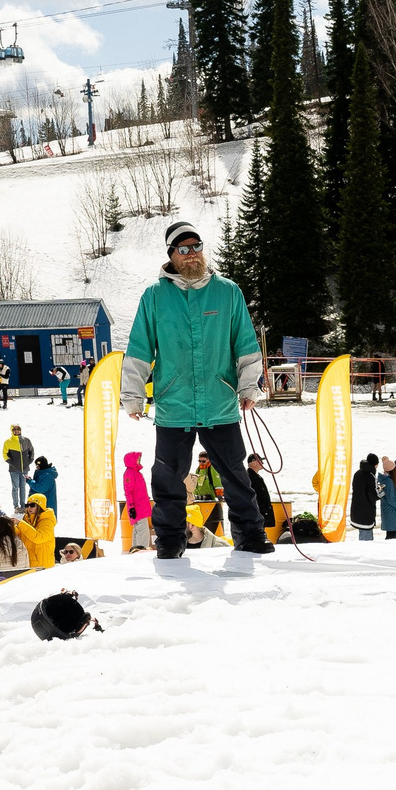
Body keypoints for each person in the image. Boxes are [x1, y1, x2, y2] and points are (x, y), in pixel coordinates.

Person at [122, 218, 270, 556]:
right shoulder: (155, 296)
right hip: (174, 405)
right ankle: (170, 541)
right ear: (171, 255)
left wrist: (248, 387)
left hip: (220, 402)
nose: (192, 253)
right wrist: (132, 395)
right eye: (184, 248)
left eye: (197, 246)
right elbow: (139, 349)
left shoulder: (227, 291)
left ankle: (250, 535)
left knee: (235, 475)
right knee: (168, 479)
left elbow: (246, 344)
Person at [14, 496, 57, 568]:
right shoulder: (26, 519)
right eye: (27, 505)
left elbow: (39, 538)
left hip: (43, 566)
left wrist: (20, 524)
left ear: (40, 506)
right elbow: (19, 535)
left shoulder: (47, 521)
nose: (29, 508)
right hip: (28, 563)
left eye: (32, 505)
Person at [121, 451, 152, 551]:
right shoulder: (130, 473)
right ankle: (141, 549)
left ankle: (136, 549)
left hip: (140, 506)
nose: (139, 461)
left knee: (138, 528)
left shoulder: (136, 473)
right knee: (142, 529)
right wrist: (131, 507)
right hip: (137, 507)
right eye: (137, 459)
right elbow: (128, 492)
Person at [350, 454, 379, 539]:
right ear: (375, 465)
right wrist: (381, 493)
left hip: (356, 509)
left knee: (363, 534)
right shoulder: (370, 476)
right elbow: (372, 496)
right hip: (366, 512)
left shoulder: (357, 473)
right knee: (366, 540)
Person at [3, 424, 34, 506]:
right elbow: (5, 455)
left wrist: (29, 461)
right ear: (12, 431)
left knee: (23, 487)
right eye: (14, 429)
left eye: (18, 429)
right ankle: (16, 506)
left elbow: (31, 451)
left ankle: (23, 505)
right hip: (14, 470)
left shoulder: (26, 440)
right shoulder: (8, 442)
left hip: (25, 469)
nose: (16, 431)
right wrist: (12, 463)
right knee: (15, 488)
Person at [377, 456, 396, 538]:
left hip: (386, 512)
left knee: (390, 535)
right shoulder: (389, 482)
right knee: (395, 536)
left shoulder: (381, 480)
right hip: (392, 514)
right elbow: (392, 499)